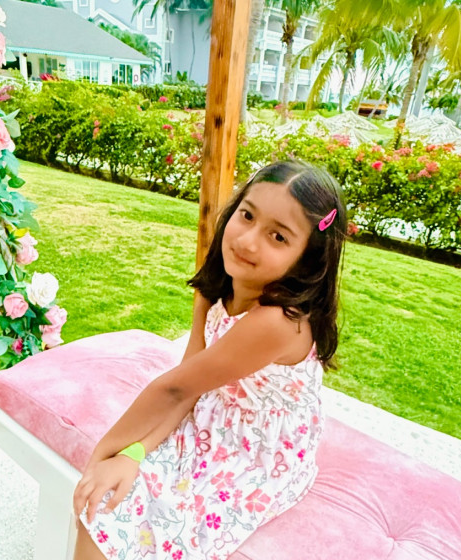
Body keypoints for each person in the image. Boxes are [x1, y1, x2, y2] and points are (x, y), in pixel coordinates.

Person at [73, 160, 347, 560]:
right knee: (105, 503)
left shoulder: (277, 322)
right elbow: (188, 384)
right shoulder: (216, 290)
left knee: (116, 513)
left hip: (258, 452)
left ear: (308, 258)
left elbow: (173, 388)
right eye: (247, 215)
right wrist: (131, 453)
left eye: (277, 236)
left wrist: (101, 455)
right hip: (214, 408)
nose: (248, 241)